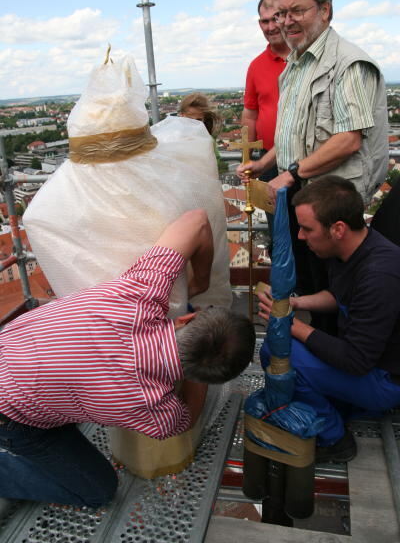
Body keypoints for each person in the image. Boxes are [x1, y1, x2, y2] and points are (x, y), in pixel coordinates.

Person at [0, 209, 255, 507]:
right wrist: (198, 375)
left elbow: (196, 219)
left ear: (186, 319)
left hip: (11, 357)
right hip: (12, 416)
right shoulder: (153, 407)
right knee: (98, 491)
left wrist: (199, 283)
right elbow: (186, 420)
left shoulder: (139, 295)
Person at [238, 0, 388, 325]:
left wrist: (289, 173)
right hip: (301, 200)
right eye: (282, 12)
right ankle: (310, 366)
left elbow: (348, 141)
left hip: (330, 208)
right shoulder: (296, 64)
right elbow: (292, 136)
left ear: (325, 9)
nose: (286, 21)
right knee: (303, 287)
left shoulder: (347, 64)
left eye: (297, 11)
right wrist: (268, 164)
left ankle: (340, 371)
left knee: (336, 299)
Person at [258, 177, 400, 462]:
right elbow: (339, 296)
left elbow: (355, 360)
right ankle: (342, 405)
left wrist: (292, 325)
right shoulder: (355, 248)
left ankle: (335, 439)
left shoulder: (379, 274)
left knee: (275, 350)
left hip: (386, 381)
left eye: (307, 229)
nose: (300, 236)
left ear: (338, 229)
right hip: (369, 366)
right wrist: (294, 303)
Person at [242, 0, 290, 182]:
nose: (270, 27)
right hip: (268, 159)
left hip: (305, 155)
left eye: (275, 19)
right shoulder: (256, 66)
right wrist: (247, 158)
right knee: (274, 212)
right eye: (264, 21)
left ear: (287, 17)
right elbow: (250, 115)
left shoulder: (306, 58)